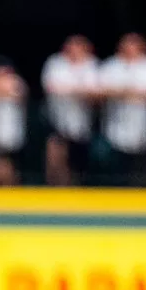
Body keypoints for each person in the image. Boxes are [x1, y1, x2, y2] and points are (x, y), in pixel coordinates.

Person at [97, 32, 146, 185]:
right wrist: (120, 93)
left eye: (134, 45)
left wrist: (141, 93)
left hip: (144, 125)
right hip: (115, 126)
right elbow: (96, 90)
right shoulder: (112, 65)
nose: (130, 49)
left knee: (141, 167)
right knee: (115, 166)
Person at [41, 34, 102, 185]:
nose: (74, 50)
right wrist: (79, 91)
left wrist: (73, 90)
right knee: (55, 157)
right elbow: (51, 86)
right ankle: (57, 189)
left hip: (84, 123)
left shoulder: (93, 65)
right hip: (57, 120)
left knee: (78, 163)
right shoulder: (55, 62)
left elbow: (98, 91)